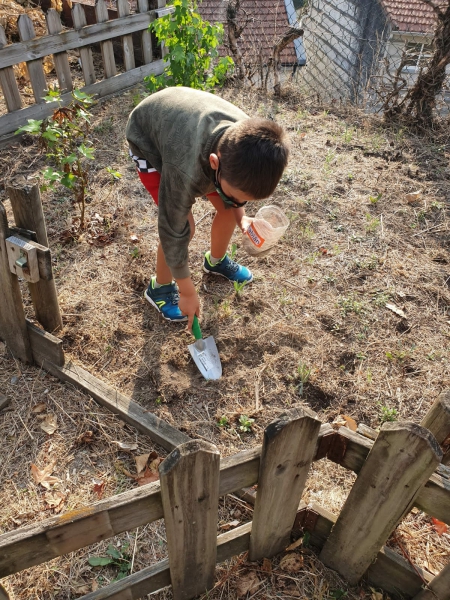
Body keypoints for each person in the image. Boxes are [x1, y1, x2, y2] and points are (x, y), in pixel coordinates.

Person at [126, 87, 289, 331]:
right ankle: (160, 288)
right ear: (215, 163)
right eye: (237, 197)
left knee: (227, 209)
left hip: (191, 130)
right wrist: (187, 291)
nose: (239, 203)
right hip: (149, 140)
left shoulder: (244, 141)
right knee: (185, 226)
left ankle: (216, 261)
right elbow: (172, 228)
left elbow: (232, 199)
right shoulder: (185, 169)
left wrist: (241, 217)